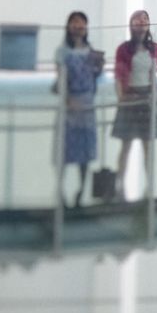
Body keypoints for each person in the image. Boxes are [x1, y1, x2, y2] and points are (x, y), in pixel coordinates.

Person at [111, 10, 157, 197]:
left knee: (147, 144)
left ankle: (150, 185)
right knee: (126, 144)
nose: (142, 21)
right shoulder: (124, 49)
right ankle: (120, 184)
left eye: (145, 19)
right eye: (138, 19)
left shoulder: (154, 48)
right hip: (130, 96)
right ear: (131, 24)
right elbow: (119, 74)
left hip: (147, 95)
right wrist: (120, 96)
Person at [52, 11, 104, 208]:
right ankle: (60, 190)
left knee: (85, 151)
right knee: (65, 149)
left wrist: (98, 68)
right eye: (74, 23)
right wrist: (67, 99)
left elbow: (94, 78)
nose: (78, 26)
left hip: (87, 104)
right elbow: (61, 77)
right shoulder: (63, 52)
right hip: (70, 104)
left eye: (82, 23)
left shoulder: (90, 51)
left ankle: (81, 190)